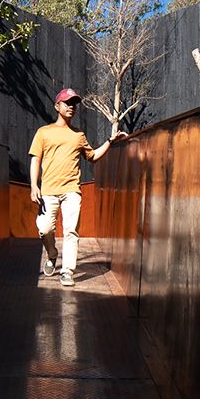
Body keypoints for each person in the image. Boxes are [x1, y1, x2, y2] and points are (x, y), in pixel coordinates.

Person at [28, 88, 126, 287]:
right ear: (57, 106)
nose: (71, 107)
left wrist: (110, 141)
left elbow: (93, 157)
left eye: (74, 103)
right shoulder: (43, 132)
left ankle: (67, 271)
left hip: (72, 190)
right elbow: (35, 160)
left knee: (71, 230)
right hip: (48, 190)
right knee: (44, 228)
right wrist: (33, 186)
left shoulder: (78, 135)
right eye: (67, 103)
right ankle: (52, 253)